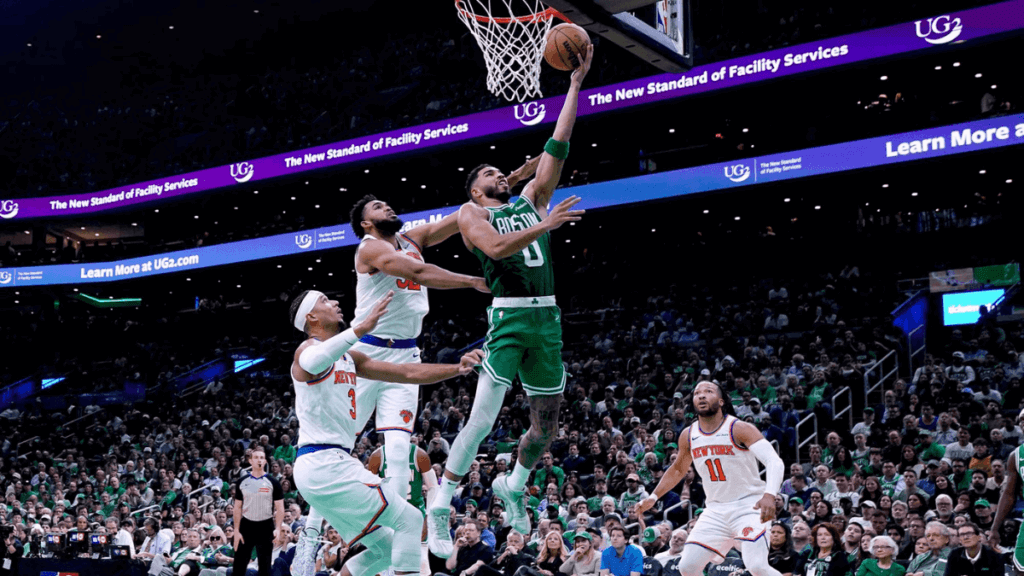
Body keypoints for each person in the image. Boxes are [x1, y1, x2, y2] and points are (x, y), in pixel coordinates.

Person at [427, 43, 595, 558]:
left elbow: (557, 145)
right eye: (489, 175)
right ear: (476, 192)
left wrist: (573, 85)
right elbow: (497, 249)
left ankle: (514, 485)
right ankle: (442, 504)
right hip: (508, 321)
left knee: (546, 428)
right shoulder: (470, 216)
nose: (500, 175)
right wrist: (545, 225)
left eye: (503, 172)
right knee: (481, 420)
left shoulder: (530, 199)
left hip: (547, 322)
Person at [287, 288, 483, 576]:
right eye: (325, 300)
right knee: (410, 519)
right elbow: (312, 362)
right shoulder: (307, 350)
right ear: (311, 317)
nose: (336, 301)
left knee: (388, 550)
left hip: (325, 468)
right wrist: (360, 329)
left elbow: (405, 373)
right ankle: (310, 534)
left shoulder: (350, 358)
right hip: (323, 462)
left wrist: (457, 368)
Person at [636, 381, 786, 576]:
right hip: (715, 510)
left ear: (721, 400)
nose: (702, 395)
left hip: (748, 506)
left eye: (708, 391)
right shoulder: (689, 435)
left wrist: (769, 494)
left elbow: (774, 461)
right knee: (687, 566)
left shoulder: (738, 428)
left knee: (756, 566)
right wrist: (653, 497)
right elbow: (677, 469)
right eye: (697, 393)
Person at [366, 440, 436, 542]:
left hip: (415, 510)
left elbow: (433, 487)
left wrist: (428, 516)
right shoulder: (377, 456)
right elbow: (369, 489)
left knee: (417, 551)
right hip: (388, 513)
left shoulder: (419, 455)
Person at [231, 446, 285, 576]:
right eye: (256, 457)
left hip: (265, 525)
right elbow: (237, 507)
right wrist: (236, 530)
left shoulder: (273, 482)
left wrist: (277, 528)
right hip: (246, 525)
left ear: (265, 461)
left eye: (262, 457)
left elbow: (280, 508)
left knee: (265, 566)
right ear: (250, 461)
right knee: (239, 565)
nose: (259, 460)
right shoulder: (241, 482)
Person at [989, 426, 1024, 572]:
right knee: (1020, 568)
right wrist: (995, 528)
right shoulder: (1016, 455)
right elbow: (1009, 494)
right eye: (1022, 421)